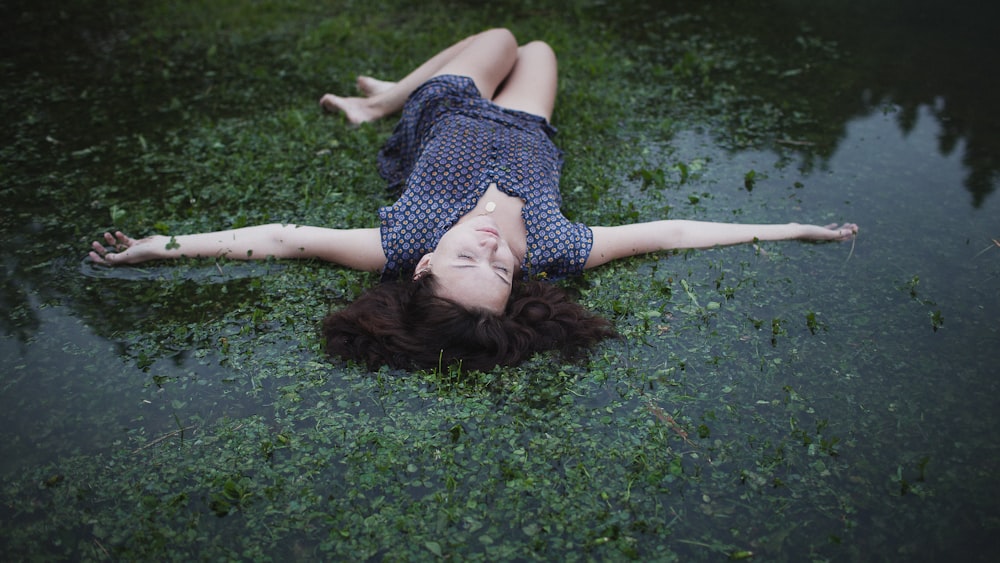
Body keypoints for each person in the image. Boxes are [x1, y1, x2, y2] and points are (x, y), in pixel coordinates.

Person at [89, 28, 858, 371]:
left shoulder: (398, 241)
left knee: (495, 35)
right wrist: (791, 226)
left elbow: (284, 238)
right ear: (515, 285)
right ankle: (386, 92)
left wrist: (166, 245)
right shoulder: (557, 249)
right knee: (542, 50)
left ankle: (387, 99)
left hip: (449, 111)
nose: (490, 247)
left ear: (425, 262)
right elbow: (675, 229)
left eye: (466, 255)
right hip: (525, 125)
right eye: (493, 268)